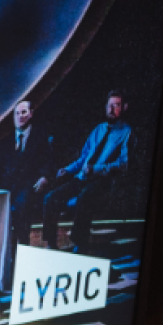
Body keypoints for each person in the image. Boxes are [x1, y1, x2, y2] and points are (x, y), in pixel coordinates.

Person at [42, 90, 132, 254]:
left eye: (117, 105)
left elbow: (123, 164)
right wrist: (68, 169)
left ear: (124, 107)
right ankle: (51, 243)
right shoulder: (98, 129)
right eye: (110, 105)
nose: (112, 109)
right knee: (51, 197)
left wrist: (96, 169)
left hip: (103, 180)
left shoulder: (126, 132)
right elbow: (83, 158)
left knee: (85, 197)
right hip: (82, 177)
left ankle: (79, 243)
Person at [0, 100, 53, 290]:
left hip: (29, 187)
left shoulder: (40, 138)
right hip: (8, 187)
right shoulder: (6, 142)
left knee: (20, 214)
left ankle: (21, 265)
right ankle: (4, 267)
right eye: (17, 113)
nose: (20, 116)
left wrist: (44, 177)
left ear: (31, 114)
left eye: (24, 112)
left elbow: (47, 163)